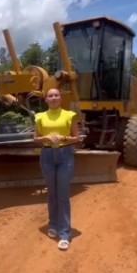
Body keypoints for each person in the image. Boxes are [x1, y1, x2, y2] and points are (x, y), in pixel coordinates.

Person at [34, 88, 80, 251]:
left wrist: (64, 138)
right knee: (52, 193)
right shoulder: (39, 117)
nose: (53, 98)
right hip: (46, 155)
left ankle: (65, 233)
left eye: (56, 95)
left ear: (60, 98)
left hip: (65, 155)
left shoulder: (69, 115)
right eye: (50, 96)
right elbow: (36, 139)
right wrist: (45, 138)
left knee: (63, 194)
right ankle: (53, 224)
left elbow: (77, 137)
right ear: (45, 99)